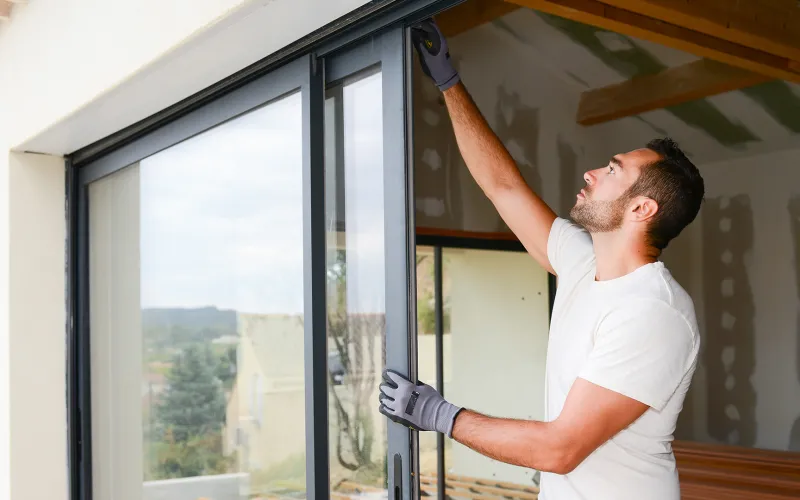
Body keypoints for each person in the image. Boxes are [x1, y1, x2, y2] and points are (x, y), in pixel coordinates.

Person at [378, 19, 705, 500]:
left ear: (641, 209)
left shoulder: (653, 312)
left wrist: (439, 415)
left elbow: (560, 449)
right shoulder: (583, 264)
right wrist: (448, 82)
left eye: (612, 170)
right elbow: (503, 187)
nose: (591, 173)